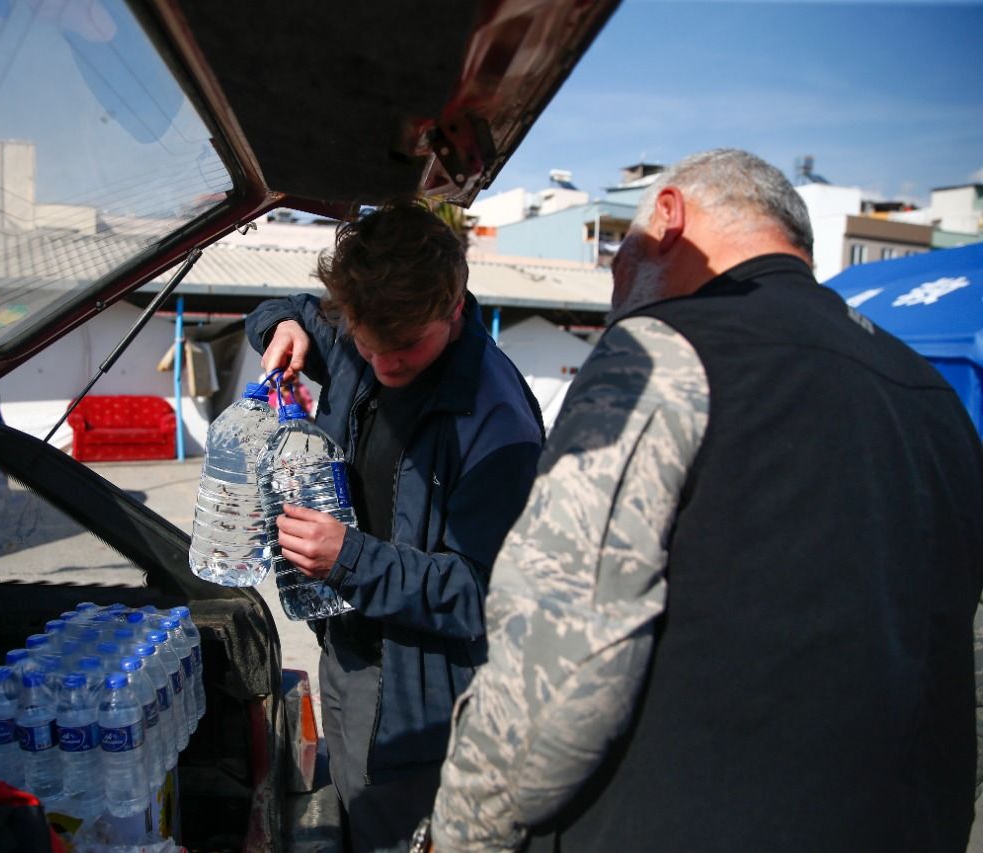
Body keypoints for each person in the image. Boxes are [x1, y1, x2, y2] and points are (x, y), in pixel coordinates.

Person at [426, 149, 983, 852]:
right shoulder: (935, 400)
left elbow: (558, 663)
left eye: (620, 255)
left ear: (668, 217)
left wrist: (458, 836)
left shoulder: (659, 355)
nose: (615, 281)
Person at [245, 203, 545, 851]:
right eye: (364, 340)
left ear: (455, 304)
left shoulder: (496, 422)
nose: (383, 363)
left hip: (426, 702)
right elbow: (284, 308)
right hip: (347, 655)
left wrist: (350, 559)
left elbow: (489, 594)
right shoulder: (365, 330)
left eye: (405, 344)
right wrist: (287, 325)